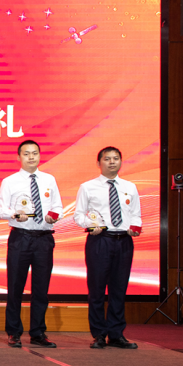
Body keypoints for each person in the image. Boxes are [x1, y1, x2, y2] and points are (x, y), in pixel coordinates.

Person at [74, 146, 142, 349]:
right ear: (99, 163)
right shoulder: (88, 187)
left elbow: (136, 214)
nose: (112, 162)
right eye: (107, 159)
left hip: (124, 241)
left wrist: (135, 227)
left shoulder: (130, 187)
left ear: (121, 161)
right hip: (100, 240)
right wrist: (90, 225)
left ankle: (116, 334)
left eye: (116, 158)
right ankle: (98, 334)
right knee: (96, 289)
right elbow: (78, 215)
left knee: (119, 289)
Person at [0, 140, 63, 348]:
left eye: (34, 153)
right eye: (26, 154)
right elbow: (0, 209)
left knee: (41, 288)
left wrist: (54, 216)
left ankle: (38, 332)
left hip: (44, 237)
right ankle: (13, 331)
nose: (31, 157)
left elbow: (58, 207)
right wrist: (14, 214)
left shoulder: (49, 180)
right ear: (19, 157)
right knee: (15, 286)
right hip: (20, 237)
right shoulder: (10, 181)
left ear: (39, 155)